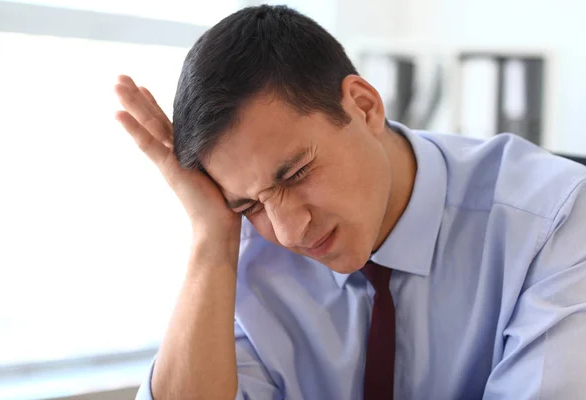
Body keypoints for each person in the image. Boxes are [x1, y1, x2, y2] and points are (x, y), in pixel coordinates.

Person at [113, 5, 586, 400]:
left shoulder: (554, 218)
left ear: (364, 106)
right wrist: (211, 236)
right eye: (248, 205)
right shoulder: (247, 256)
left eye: (296, 173)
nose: (289, 231)